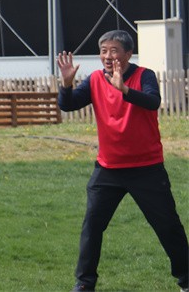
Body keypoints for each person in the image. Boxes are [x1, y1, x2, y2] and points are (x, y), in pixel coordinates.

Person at [57, 30, 189, 292]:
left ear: (128, 54)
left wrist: (124, 89)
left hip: (147, 169)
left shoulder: (145, 76)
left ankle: (186, 279)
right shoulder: (95, 79)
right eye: (103, 51)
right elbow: (68, 105)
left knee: (168, 226)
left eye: (114, 50)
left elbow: (153, 102)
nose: (108, 56)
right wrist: (66, 84)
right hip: (108, 169)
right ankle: (84, 283)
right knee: (92, 226)